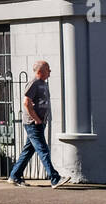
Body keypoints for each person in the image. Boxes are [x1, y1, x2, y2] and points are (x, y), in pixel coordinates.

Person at [8, 60, 73, 188]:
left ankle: (14, 176)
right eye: (48, 69)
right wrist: (37, 119)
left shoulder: (43, 83)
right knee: (43, 150)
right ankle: (55, 178)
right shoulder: (34, 83)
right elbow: (26, 103)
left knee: (28, 151)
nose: (50, 71)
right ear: (40, 71)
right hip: (33, 124)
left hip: (39, 123)